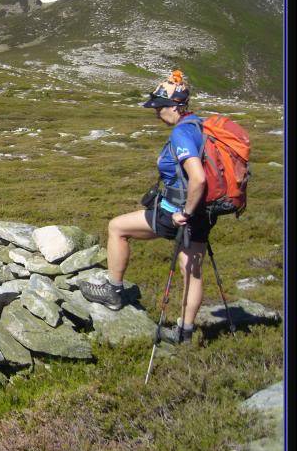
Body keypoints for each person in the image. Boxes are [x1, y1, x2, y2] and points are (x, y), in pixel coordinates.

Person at [79, 70, 217, 345]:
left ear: (176, 106)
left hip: (178, 212)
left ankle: (113, 292)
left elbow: (198, 177)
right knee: (191, 270)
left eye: (160, 107)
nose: (156, 113)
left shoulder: (181, 134)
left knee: (117, 227)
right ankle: (185, 334)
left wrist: (184, 213)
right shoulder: (200, 125)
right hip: (206, 211)